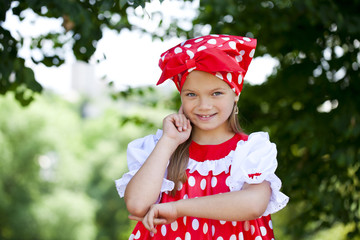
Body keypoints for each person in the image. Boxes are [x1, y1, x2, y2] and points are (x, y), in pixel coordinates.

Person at [115, 34, 289, 240]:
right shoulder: (163, 148)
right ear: (181, 96)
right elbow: (136, 204)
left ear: (236, 93)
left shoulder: (251, 150)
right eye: (191, 94)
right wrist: (169, 142)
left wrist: (178, 208)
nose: (204, 105)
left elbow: (253, 204)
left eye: (216, 93)